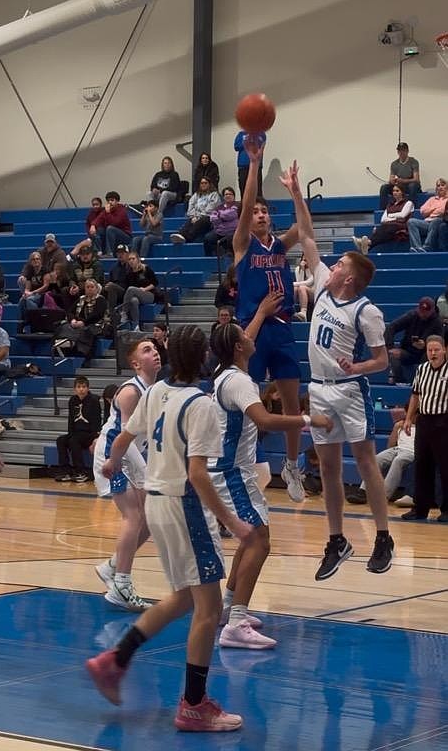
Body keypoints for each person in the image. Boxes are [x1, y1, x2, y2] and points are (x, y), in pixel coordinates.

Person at [86, 325, 252, 732]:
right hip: (184, 505)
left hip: (158, 505)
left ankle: (115, 659)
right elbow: (198, 473)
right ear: (206, 360)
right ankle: (194, 705)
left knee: (183, 599)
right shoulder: (201, 405)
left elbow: (124, 435)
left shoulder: (155, 392)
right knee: (210, 609)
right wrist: (231, 520)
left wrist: (111, 462)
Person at [281, 159, 394, 578]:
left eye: (341, 265)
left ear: (349, 278)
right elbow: (307, 235)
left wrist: (357, 363)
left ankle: (383, 536)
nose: (333, 266)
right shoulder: (325, 284)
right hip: (320, 387)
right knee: (326, 466)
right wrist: (295, 191)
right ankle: (336, 540)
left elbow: (381, 361)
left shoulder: (367, 310)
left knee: (364, 460)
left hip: (349, 390)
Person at [209, 300, 332, 650]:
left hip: (231, 470)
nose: (252, 336)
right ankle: (235, 625)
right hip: (233, 473)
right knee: (261, 542)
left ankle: (229, 606)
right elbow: (265, 421)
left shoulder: (227, 375)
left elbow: (241, 336)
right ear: (238, 347)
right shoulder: (240, 382)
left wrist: (260, 312)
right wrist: (309, 419)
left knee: (250, 540)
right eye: (245, 335)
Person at [233, 137, 304, 501]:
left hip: (283, 330)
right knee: (249, 407)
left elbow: (305, 230)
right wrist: (255, 164)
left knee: (293, 404)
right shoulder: (243, 244)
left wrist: (296, 194)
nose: (259, 214)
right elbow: (244, 207)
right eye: (256, 211)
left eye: (264, 211)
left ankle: (291, 465)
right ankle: (244, 467)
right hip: (252, 331)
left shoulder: (279, 245)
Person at [93, 340, 161, 610]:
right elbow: (125, 438)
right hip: (115, 453)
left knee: (151, 519)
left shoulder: (155, 389)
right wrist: (146, 474)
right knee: (133, 516)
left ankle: (111, 567)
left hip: (133, 455)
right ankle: (121, 584)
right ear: (134, 363)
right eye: (146, 350)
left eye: (155, 348)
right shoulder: (131, 392)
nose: (154, 352)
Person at [401, 335, 448, 522]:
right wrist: (408, 418)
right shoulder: (421, 369)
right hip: (424, 421)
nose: (433, 353)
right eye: (430, 350)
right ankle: (420, 508)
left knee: (446, 467)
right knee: (421, 466)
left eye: (436, 349)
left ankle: (447, 509)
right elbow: (415, 395)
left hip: (444, 421)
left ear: (444, 349)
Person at [346, 408, 416, 504]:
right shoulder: (401, 425)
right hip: (397, 449)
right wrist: (395, 429)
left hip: (411, 451)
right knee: (376, 459)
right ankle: (363, 492)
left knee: (398, 461)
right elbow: (390, 446)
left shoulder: (423, 426)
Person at [385, 297, 443, 384]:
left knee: (431, 355)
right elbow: (391, 327)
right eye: (421, 311)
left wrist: (426, 345)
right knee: (393, 355)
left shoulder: (438, 322)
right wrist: (390, 346)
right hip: (408, 352)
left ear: (432, 310)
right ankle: (400, 381)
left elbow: (440, 342)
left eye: (426, 312)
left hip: (425, 354)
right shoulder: (412, 315)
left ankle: (423, 382)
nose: (423, 314)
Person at [55, 376, 101, 483]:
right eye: (79, 387)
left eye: (84, 387)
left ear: (88, 388)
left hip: (89, 434)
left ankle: (81, 472)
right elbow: (71, 419)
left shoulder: (94, 400)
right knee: (61, 440)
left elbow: (97, 419)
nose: (81, 389)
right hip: (76, 433)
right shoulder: (72, 400)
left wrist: (95, 437)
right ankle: (65, 471)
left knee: (74, 440)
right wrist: (70, 433)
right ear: (75, 389)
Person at [353, 184, 414, 254]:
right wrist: (394, 218)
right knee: (380, 228)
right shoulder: (390, 204)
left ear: (402, 192)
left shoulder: (409, 203)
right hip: (389, 226)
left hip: (402, 226)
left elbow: (403, 215)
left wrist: (390, 216)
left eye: (397, 191)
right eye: (393, 191)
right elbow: (383, 219)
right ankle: (368, 245)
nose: (395, 193)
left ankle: (367, 243)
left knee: (386, 228)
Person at [170, 177, 221, 244]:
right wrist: (194, 216)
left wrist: (198, 217)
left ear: (209, 184)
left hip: (209, 218)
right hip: (196, 217)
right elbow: (191, 206)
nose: (203, 185)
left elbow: (210, 209)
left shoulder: (214, 194)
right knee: (190, 220)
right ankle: (180, 234)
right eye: (202, 183)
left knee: (202, 220)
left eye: (205, 183)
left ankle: (187, 238)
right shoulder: (196, 195)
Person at [121, 252, 159, 331]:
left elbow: (155, 283)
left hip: (149, 294)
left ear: (138, 259)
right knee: (133, 301)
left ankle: (124, 312)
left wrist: (145, 289)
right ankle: (136, 326)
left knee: (131, 289)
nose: (131, 261)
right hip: (136, 296)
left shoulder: (146, 269)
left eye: (133, 258)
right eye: (129, 259)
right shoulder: (129, 273)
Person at [407, 178, 448, 252]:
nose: (440, 187)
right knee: (411, 221)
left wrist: (430, 211)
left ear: (447, 187)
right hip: (427, 223)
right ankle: (417, 247)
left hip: (439, 222)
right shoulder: (432, 199)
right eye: (438, 186)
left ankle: (427, 247)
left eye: (442, 185)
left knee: (437, 220)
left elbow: (442, 211)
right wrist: (435, 209)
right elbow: (422, 211)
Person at [379, 142, 421, 210]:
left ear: (407, 151)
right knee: (384, 187)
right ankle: (383, 210)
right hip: (400, 186)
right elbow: (391, 178)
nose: (401, 152)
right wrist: (392, 181)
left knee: (412, 186)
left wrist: (403, 180)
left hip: (410, 186)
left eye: (403, 150)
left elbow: (416, 179)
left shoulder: (414, 162)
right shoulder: (394, 164)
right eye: (399, 151)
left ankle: (411, 209)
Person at [203, 187, 240, 257]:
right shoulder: (219, 207)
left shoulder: (237, 205)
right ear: (223, 197)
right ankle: (209, 259)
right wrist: (223, 217)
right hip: (219, 231)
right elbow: (213, 218)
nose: (228, 196)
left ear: (234, 196)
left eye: (230, 194)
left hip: (232, 232)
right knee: (207, 238)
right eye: (226, 194)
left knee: (230, 240)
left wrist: (219, 215)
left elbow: (230, 214)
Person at [16, 251, 49, 328]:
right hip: (34, 294)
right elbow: (28, 287)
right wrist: (26, 293)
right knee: (22, 300)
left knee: (29, 300)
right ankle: (22, 322)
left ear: (41, 260)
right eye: (33, 259)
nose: (36, 261)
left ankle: (36, 322)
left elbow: (46, 286)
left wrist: (32, 293)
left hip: (43, 294)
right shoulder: (30, 271)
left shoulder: (45, 270)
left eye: (37, 259)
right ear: (31, 262)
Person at [96, 192, 132, 256]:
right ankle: (99, 252)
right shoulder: (107, 211)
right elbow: (98, 219)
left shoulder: (122, 210)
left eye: (112, 200)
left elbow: (114, 223)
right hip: (113, 235)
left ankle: (110, 253)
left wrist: (108, 213)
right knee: (99, 229)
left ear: (117, 201)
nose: (110, 202)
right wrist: (93, 225)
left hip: (125, 236)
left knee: (110, 229)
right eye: (108, 201)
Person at [234, 130, 266, 198]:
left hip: (256, 167)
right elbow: (236, 147)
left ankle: (258, 207)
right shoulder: (241, 134)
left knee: (257, 191)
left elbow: (260, 144)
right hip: (243, 166)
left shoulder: (261, 133)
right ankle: (244, 207)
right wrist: (247, 140)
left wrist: (252, 138)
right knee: (243, 189)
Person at [104, 244, 131, 318]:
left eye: (122, 253)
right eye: (118, 253)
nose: (120, 255)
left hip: (127, 292)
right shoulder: (114, 267)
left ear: (128, 254)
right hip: (114, 291)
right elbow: (109, 280)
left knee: (111, 286)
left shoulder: (131, 266)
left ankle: (111, 314)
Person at [293, 254, 314, 321]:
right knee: (295, 288)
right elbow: (299, 282)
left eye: (307, 260)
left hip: (314, 293)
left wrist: (291, 284)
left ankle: (303, 313)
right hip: (303, 292)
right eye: (304, 260)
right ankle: (291, 309)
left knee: (302, 288)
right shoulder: (297, 269)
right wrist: (302, 270)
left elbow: (308, 282)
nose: (305, 262)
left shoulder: (315, 269)